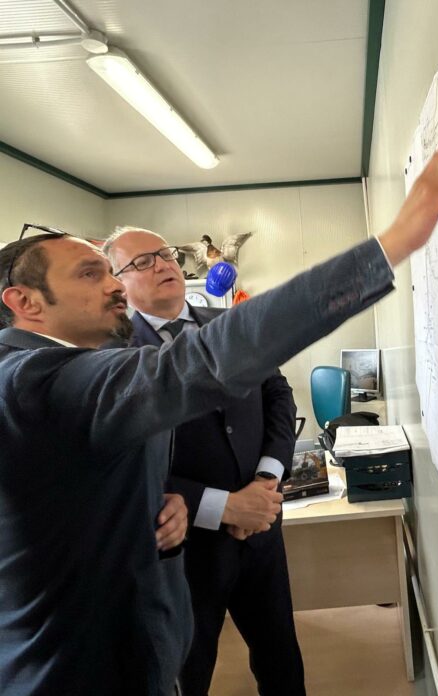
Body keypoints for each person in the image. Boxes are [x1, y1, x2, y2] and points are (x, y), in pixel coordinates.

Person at [0, 138, 438, 695]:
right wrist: (392, 244)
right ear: (24, 302)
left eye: (110, 271)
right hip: (80, 669)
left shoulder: (61, 375)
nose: (112, 286)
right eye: (90, 274)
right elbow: (203, 363)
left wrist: (161, 506)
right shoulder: (36, 381)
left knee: (279, 656)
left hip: (145, 636)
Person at [104, 226, 305, 695]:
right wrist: (223, 506)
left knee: (281, 659)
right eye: (142, 262)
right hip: (184, 548)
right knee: (186, 674)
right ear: (118, 283)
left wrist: (267, 479)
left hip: (261, 529)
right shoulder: (110, 356)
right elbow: (122, 461)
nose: (162, 265)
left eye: (165, 254)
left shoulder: (233, 324)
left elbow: (278, 396)